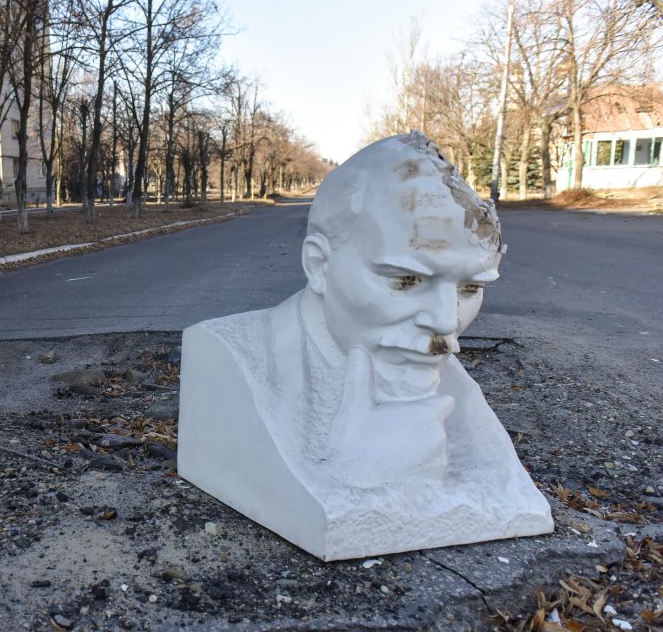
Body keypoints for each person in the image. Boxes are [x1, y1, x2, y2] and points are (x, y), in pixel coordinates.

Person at [176, 132, 552, 560]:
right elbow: (329, 502)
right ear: (318, 265)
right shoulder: (228, 354)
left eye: (470, 287)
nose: (446, 322)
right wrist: (360, 474)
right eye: (405, 281)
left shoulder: (441, 371)